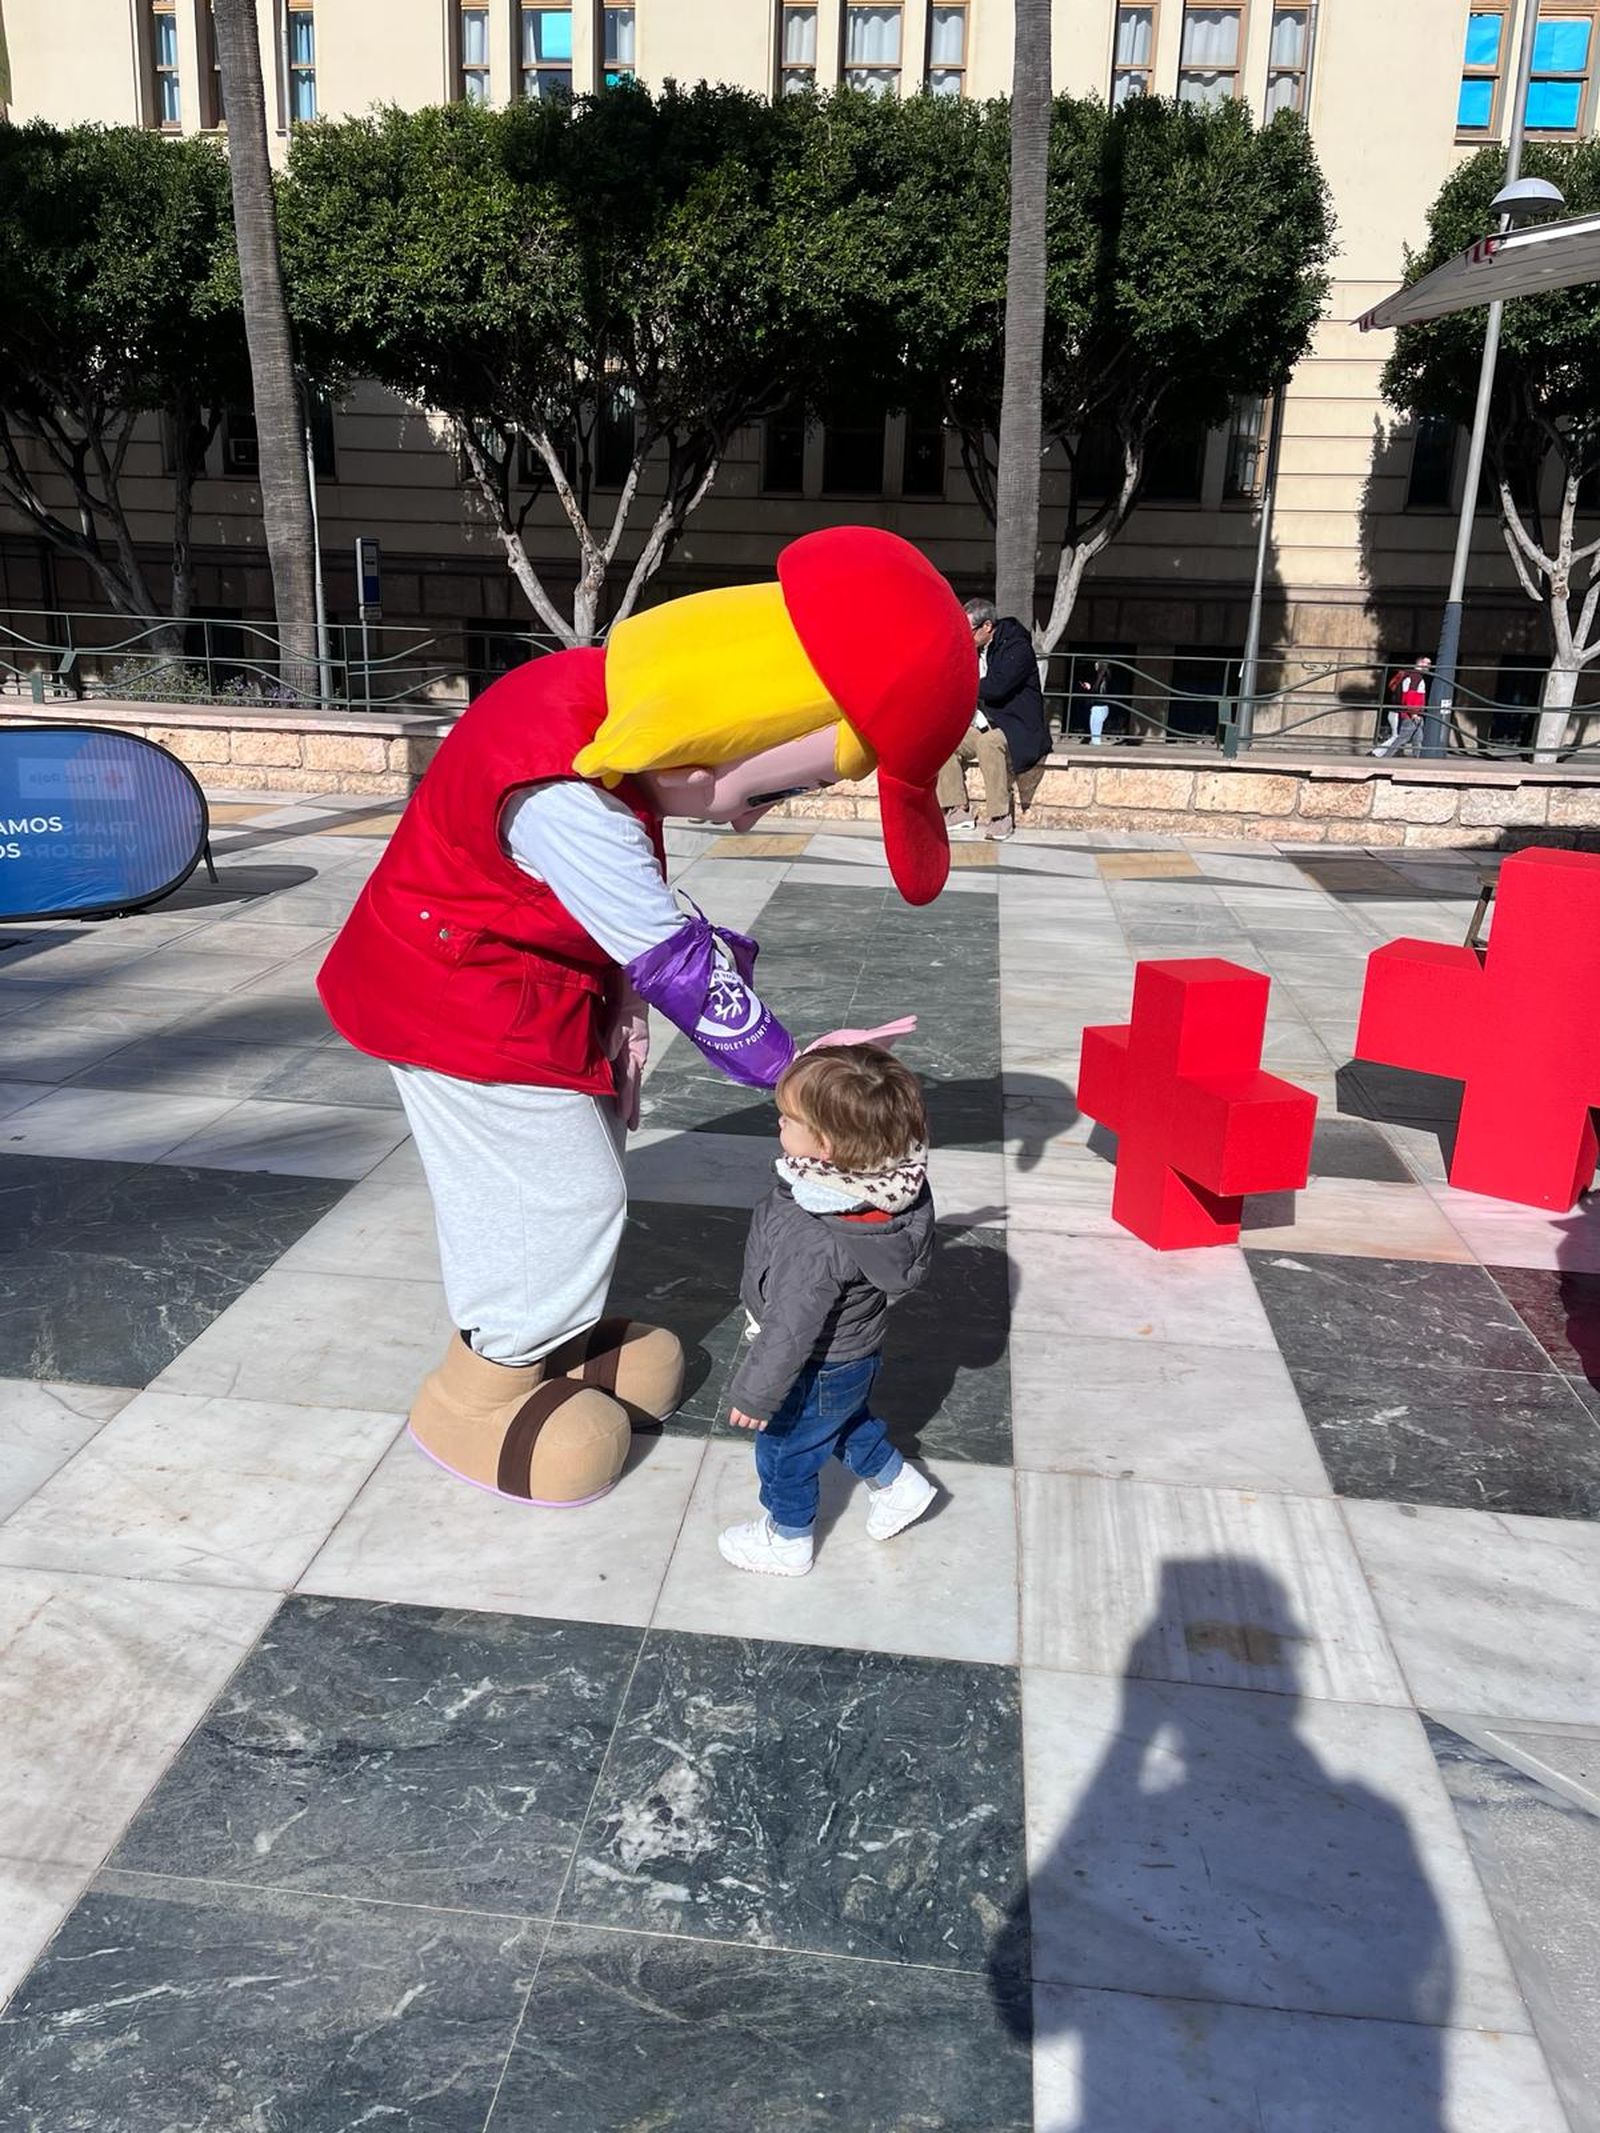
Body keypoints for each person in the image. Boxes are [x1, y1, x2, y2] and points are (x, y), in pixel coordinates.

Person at [316, 527, 976, 1510]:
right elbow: (665, 950)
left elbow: (636, 929)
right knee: (563, 1196)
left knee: (573, 1170)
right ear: (735, 727)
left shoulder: (602, 717)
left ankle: (556, 1350)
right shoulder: (564, 784)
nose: (756, 815)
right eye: (779, 785)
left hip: (508, 991)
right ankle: (478, 1393)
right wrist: (796, 1077)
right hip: (451, 1003)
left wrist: (645, 1017)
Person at [718, 1044, 939, 1576]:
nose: (779, 1121)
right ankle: (899, 1486)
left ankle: (787, 1539)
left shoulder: (814, 1234)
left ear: (828, 1146)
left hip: (814, 1361)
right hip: (854, 1354)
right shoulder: (891, 1183)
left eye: (790, 1118)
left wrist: (756, 1392)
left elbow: (793, 1326)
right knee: (840, 1423)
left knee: (785, 1451)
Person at [936, 597, 1050, 841]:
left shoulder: (1017, 647)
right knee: (945, 740)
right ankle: (957, 810)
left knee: (989, 743)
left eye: (970, 632)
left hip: (1018, 726)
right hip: (988, 722)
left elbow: (998, 687)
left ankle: (1000, 817)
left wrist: (961, 686)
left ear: (987, 626)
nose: (966, 637)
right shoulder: (977, 649)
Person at [1372, 654, 1432, 757]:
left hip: (1414, 713)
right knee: (1402, 738)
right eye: (1428, 663)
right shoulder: (1415, 677)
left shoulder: (1411, 675)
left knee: (1417, 738)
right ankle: (1387, 756)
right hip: (1412, 714)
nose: (1430, 666)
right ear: (1421, 663)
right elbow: (1409, 697)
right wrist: (1413, 713)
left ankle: (1417, 759)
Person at [1079, 658, 1115, 745]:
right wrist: (1089, 686)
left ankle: (1095, 745)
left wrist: (1090, 688)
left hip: (1099, 706)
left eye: (1097, 665)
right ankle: (1095, 743)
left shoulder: (1103, 679)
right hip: (1101, 706)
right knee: (1095, 729)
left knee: (1095, 730)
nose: (1095, 667)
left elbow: (1099, 691)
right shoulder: (1104, 678)